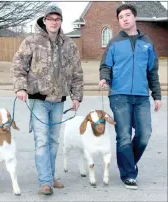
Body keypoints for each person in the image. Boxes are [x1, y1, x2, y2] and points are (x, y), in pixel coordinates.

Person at [11, 6, 83, 195]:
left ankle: (50, 176)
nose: (53, 22)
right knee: (42, 140)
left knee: (53, 140)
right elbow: (19, 65)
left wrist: (76, 96)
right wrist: (20, 87)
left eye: (57, 18)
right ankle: (45, 182)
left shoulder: (69, 44)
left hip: (58, 99)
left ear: (61, 21)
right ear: (44, 20)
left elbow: (76, 72)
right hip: (38, 99)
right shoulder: (31, 41)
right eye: (50, 18)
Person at [99, 4, 162, 190]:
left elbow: (152, 71)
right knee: (124, 135)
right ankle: (128, 174)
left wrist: (157, 95)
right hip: (119, 95)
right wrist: (104, 78)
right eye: (121, 17)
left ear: (135, 17)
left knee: (144, 134)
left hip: (142, 96)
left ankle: (127, 163)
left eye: (128, 15)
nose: (125, 19)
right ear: (119, 21)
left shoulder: (147, 42)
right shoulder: (114, 43)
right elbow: (105, 66)